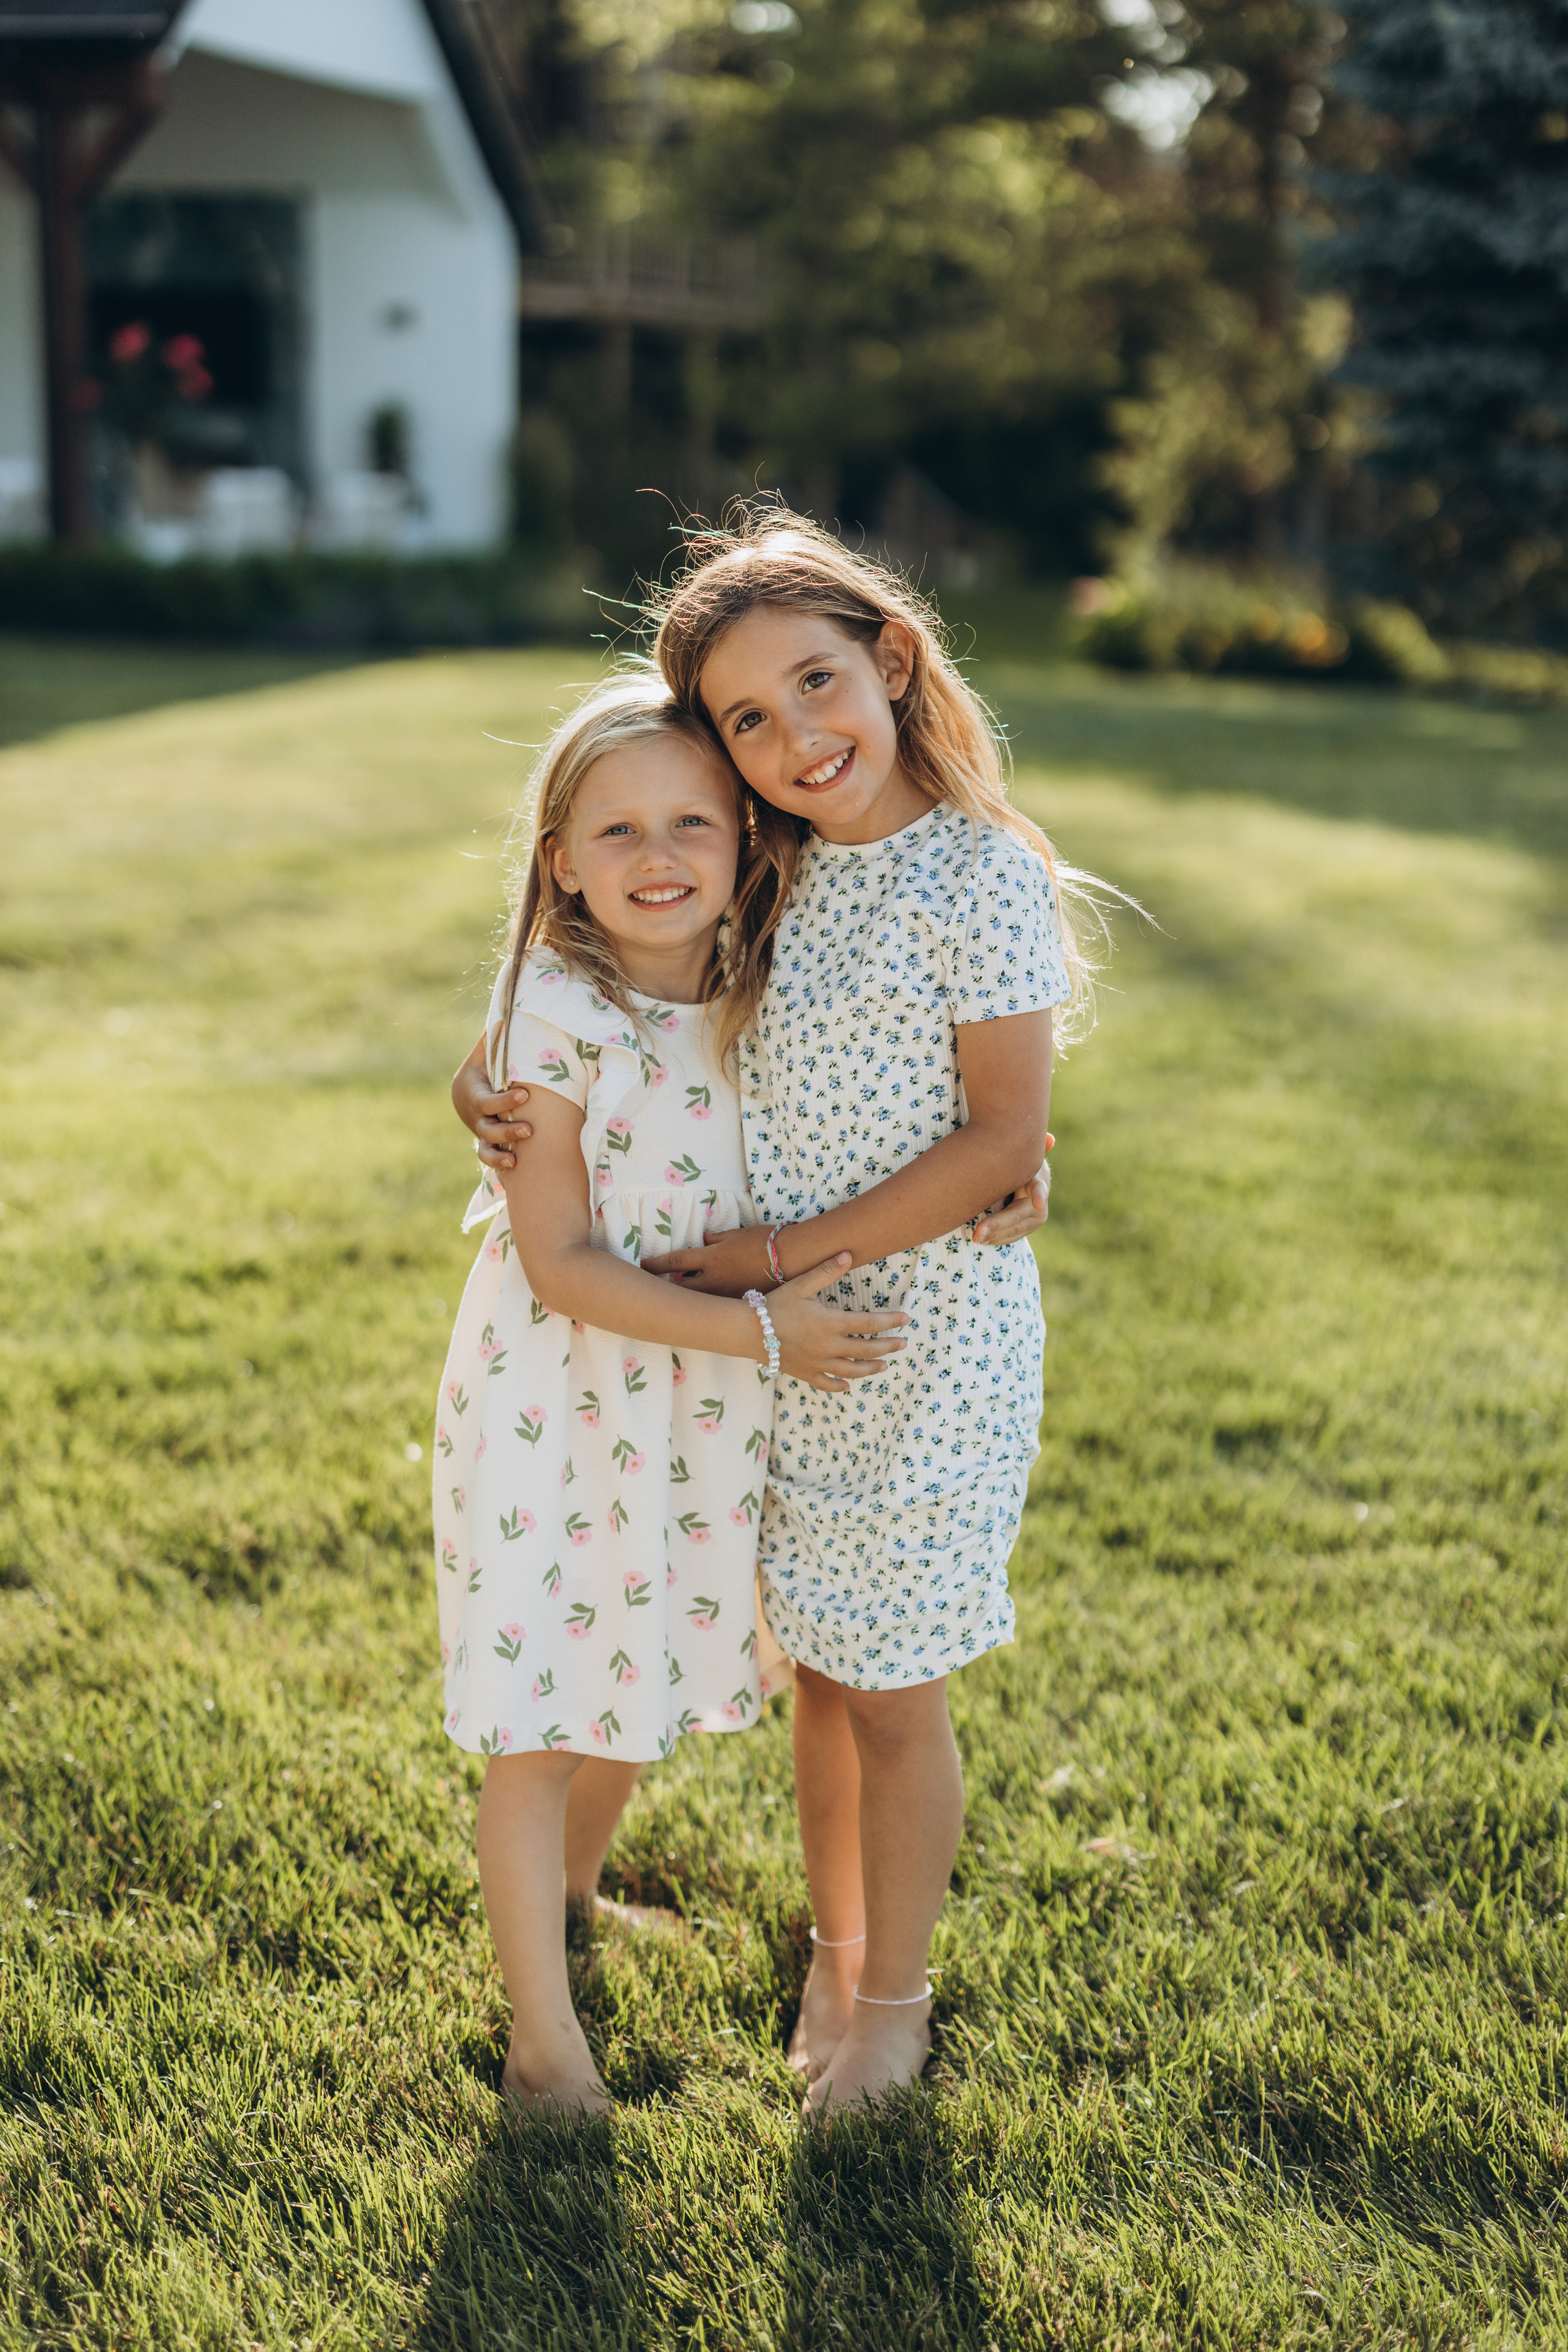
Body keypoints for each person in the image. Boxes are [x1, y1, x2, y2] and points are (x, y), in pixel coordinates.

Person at [457, 507, 1110, 2118]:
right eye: (749, 718)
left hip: (914, 1345)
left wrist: (779, 1256)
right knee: (822, 1663)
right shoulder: (786, 872)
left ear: (894, 662)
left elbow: (997, 1127)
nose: (793, 737)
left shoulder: (976, 870)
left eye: (816, 684)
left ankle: (895, 1996)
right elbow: (619, 1000)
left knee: (892, 1687)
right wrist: (484, 1074)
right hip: (789, 1360)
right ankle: (837, 1943)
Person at [442, 672, 913, 2113]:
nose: (659, 860)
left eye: (692, 825)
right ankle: (545, 2049)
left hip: (687, 1413)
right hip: (559, 1400)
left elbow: (914, 1095)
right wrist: (767, 1332)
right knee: (540, 1713)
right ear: (560, 863)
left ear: (747, 838)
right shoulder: (554, 1014)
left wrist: (1014, 1170)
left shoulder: (752, 984)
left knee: (626, 1664)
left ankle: (575, 1896)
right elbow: (566, 1263)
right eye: (618, 832)